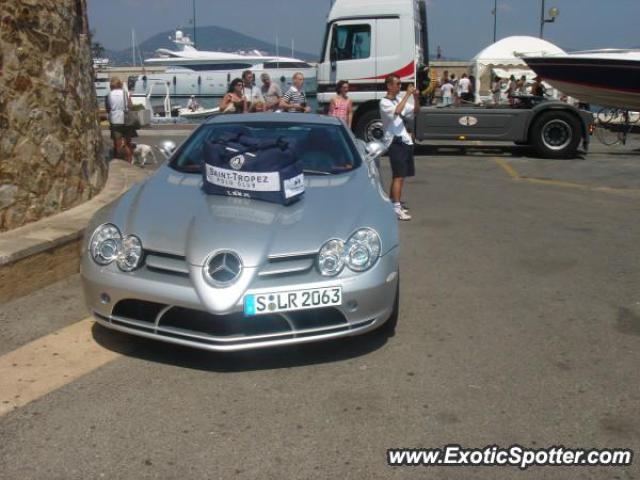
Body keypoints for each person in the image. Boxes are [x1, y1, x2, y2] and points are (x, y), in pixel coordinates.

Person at [379, 75, 420, 221]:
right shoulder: (384, 102)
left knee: (401, 176)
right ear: (389, 86)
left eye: (400, 84)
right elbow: (396, 112)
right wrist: (407, 95)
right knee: (398, 176)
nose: (400, 87)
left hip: (404, 140)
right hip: (395, 142)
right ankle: (396, 208)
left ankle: (393, 203)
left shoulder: (398, 100)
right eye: (397, 84)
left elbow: (415, 111)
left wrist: (415, 97)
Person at [105, 76, 134, 164]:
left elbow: (108, 109)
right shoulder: (126, 93)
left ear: (111, 86)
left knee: (117, 144)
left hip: (115, 121)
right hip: (127, 120)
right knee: (128, 143)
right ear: (120, 84)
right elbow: (130, 106)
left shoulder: (108, 95)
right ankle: (129, 161)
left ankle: (119, 162)